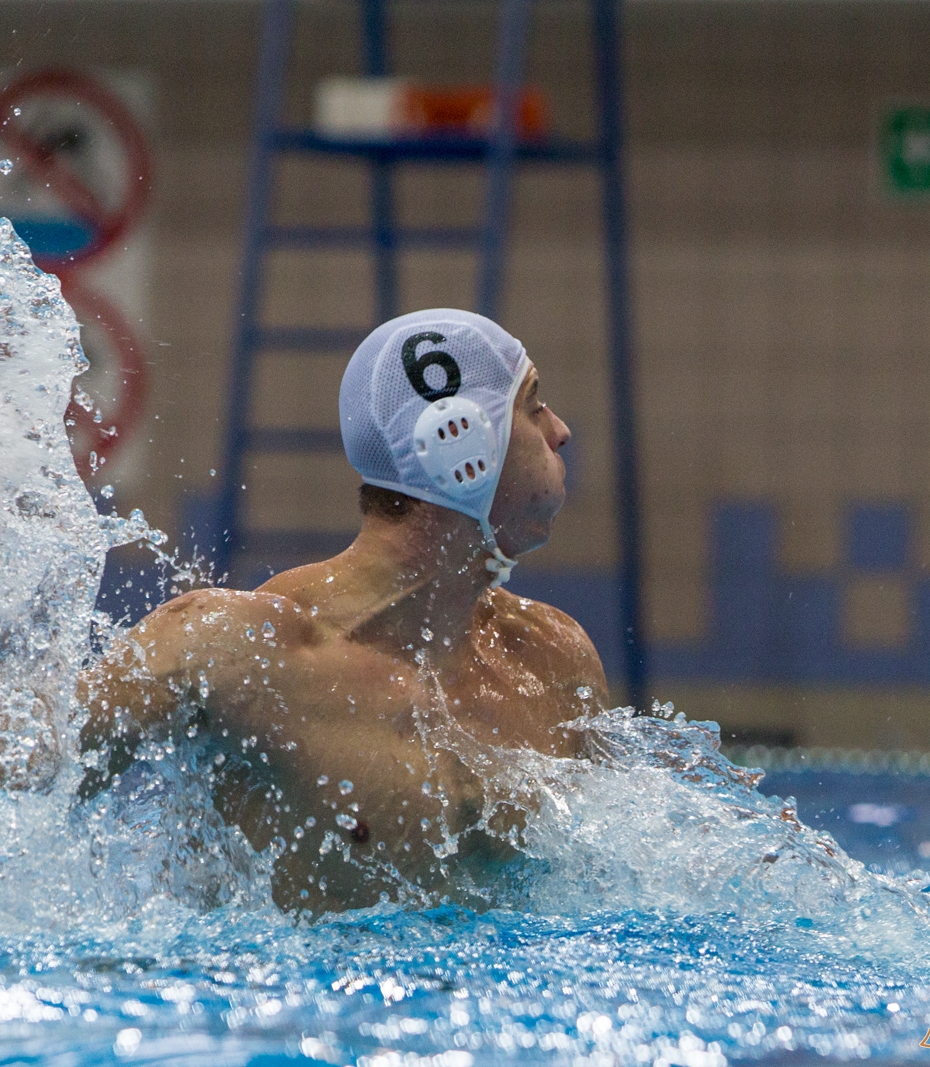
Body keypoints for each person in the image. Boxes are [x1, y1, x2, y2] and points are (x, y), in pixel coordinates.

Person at [78, 309, 608, 912]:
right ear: (462, 440)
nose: (560, 430)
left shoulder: (552, 657)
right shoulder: (234, 652)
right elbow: (24, 768)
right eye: (533, 405)